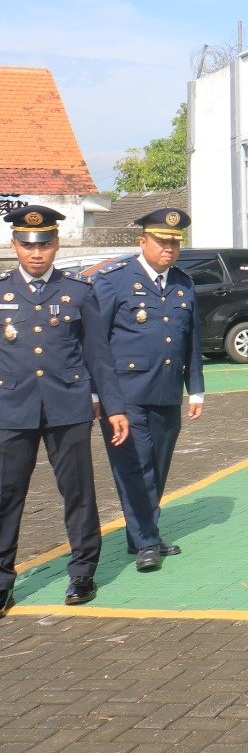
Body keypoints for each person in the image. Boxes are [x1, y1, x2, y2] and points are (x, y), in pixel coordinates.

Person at [0, 205, 127, 613]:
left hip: (68, 407)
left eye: (44, 244)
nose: (36, 253)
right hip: (11, 408)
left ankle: (82, 572)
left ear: (55, 244)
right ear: (15, 245)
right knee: (6, 495)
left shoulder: (78, 291)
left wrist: (114, 407)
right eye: (27, 244)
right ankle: (3, 580)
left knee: (78, 493)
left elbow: (98, 355)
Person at [91, 208, 204, 571]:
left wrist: (196, 389)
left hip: (167, 391)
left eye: (175, 242)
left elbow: (191, 341)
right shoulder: (114, 280)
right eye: (162, 241)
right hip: (125, 395)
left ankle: (140, 532)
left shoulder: (184, 283)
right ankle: (146, 541)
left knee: (157, 466)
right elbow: (96, 343)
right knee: (134, 467)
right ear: (143, 242)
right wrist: (97, 395)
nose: (169, 248)